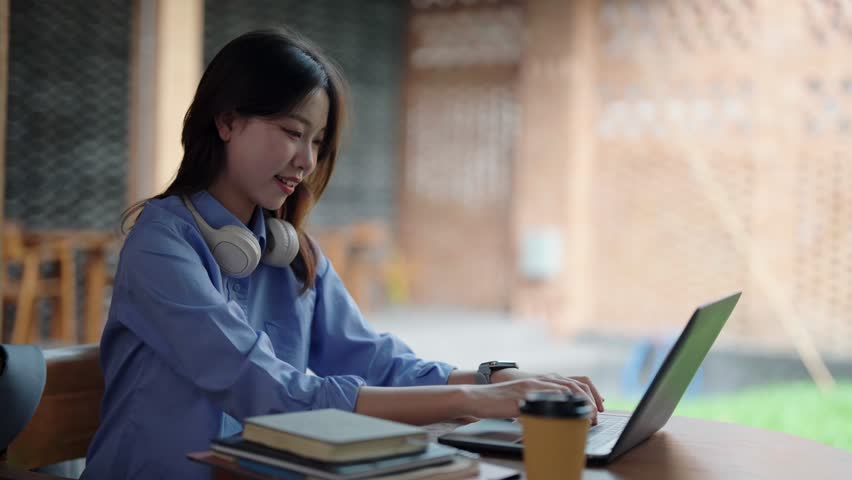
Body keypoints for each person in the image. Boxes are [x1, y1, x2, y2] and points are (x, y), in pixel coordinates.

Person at [81, 28, 605, 479]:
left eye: (318, 141)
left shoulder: (292, 253)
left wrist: (496, 378)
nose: (306, 160)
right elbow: (267, 391)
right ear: (227, 122)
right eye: (291, 132)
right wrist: (473, 402)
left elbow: (377, 360)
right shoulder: (161, 244)